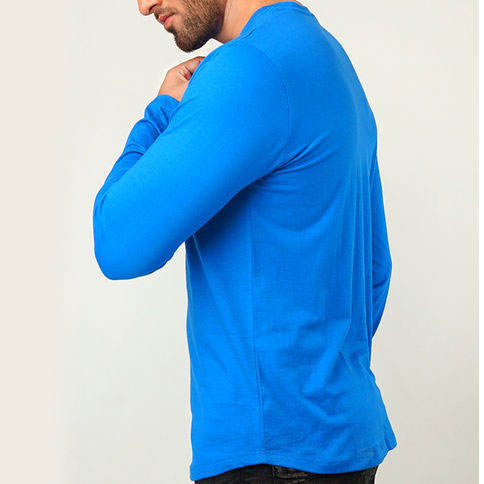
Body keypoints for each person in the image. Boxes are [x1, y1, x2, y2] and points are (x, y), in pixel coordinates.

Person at [92, 1, 397, 482]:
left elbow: (118, 242)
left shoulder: (248, 68)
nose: (143, 4)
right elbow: (374, 269)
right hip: (345, 441)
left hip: (271, 454)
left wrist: (162, 112)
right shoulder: (327, 57)